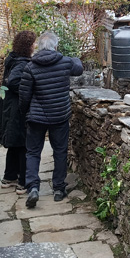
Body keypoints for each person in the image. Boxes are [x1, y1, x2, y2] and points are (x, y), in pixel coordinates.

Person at [19, 31, 83, 208]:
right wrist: (71, 56)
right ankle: (58, 189)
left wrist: (26, 114)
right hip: (60, 116)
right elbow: (79, 67)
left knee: (33, 152)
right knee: (60, 151)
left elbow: (24, 96)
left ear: (39, 48)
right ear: (55, 46)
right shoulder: (65, 62)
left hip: (36, 118)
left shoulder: (30, 67)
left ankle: (33, 187)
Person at [0, 30, 36, 194]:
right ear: (28, 46)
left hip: (9, 106)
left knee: (14, 144)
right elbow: (14, 82)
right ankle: (22, 182)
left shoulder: (13, 59)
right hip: (17, 108)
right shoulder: (22, 63)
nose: (35, 46)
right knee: (22, 144)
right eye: (33, 43)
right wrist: (27, 92)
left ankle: (9, 177)